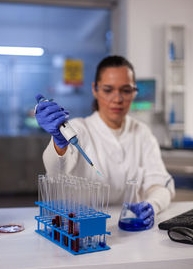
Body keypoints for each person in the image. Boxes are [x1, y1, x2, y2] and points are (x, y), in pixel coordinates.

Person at [35, 55, 175, 230]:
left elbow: (160, 183)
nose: (117, 99)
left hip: (129, 230)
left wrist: (152, 205)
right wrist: (59, 143)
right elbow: (55, 174)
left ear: (134, 92)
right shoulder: (78, 129)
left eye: (125, 90)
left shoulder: (142, 133)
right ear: (95, 89)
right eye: (108, 90)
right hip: (83, 230)